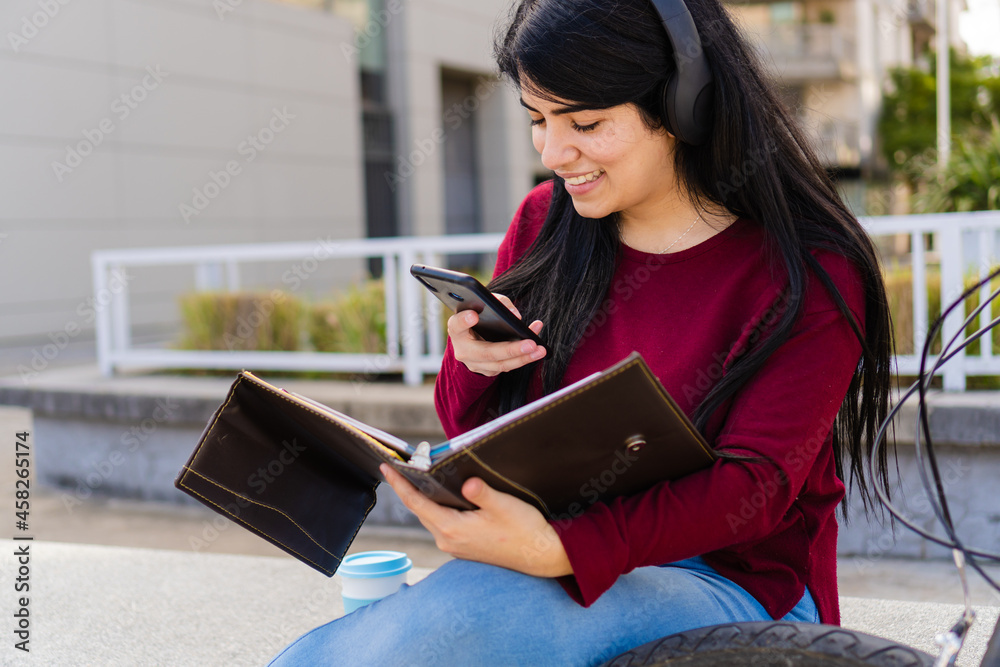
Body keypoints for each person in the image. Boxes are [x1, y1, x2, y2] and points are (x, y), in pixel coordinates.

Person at [267, 0, 894, 664]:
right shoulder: (545, 222)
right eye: (537, 120)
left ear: (684, 103)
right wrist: (472, 364)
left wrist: (561, 548)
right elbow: (470, 425)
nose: (553, 151)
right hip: (557, 551)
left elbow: (754, 489)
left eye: (586, 123)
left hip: (736, 583)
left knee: (456, 629)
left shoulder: (807, 269)